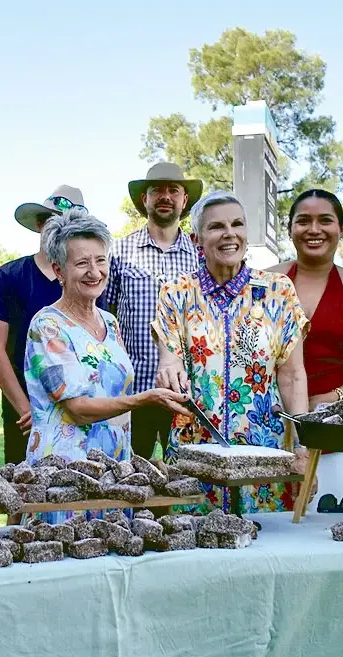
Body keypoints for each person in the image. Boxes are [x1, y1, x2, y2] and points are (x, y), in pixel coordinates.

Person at [25, 209, 190, 523]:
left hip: (114, 474)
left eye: (101, 261)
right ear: (59, 270)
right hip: (65, 477)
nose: (94, 272)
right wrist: (146, 398)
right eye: (82, 263)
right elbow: (78, 408)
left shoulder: (111, 324)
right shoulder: (47, 326)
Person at [154, 191, 310, 514]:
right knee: (195, 552)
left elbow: (293, 376)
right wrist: (170, 371)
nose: (229, 233)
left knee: (267, 553)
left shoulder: (278, 291)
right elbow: (168, 358)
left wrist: (303, 448)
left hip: (264, 452)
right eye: (217, 227)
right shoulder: (176, 293)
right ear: (197, 239)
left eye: (237, 224)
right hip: (195, 451)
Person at [268, 189, 343, 504]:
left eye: (325, 221)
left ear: (342, 229)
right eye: (303, 221)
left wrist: (329, 400)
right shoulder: (264, 281)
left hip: (336, 426)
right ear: (290, 228)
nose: (314, 229)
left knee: (337, 525)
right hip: (271, 425)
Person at [103, 162, 202, 460]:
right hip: (133, 393)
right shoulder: (119, 252)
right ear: (144, 199)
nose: (165, 196)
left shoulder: (201, 258)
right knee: (131, 480)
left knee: (186, 480)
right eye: (157, 190)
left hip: (187, 393)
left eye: (174, 190)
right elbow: (104, 317)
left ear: (184, 200)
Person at [0, 186, 84, 465]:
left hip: (80, 407)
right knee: (22, 491)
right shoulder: (10, 276)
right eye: (53, 221)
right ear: (39, 223)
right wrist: (27, 408)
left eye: (70, 225)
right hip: (23, 408)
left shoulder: (88, 279)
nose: (61, 230)